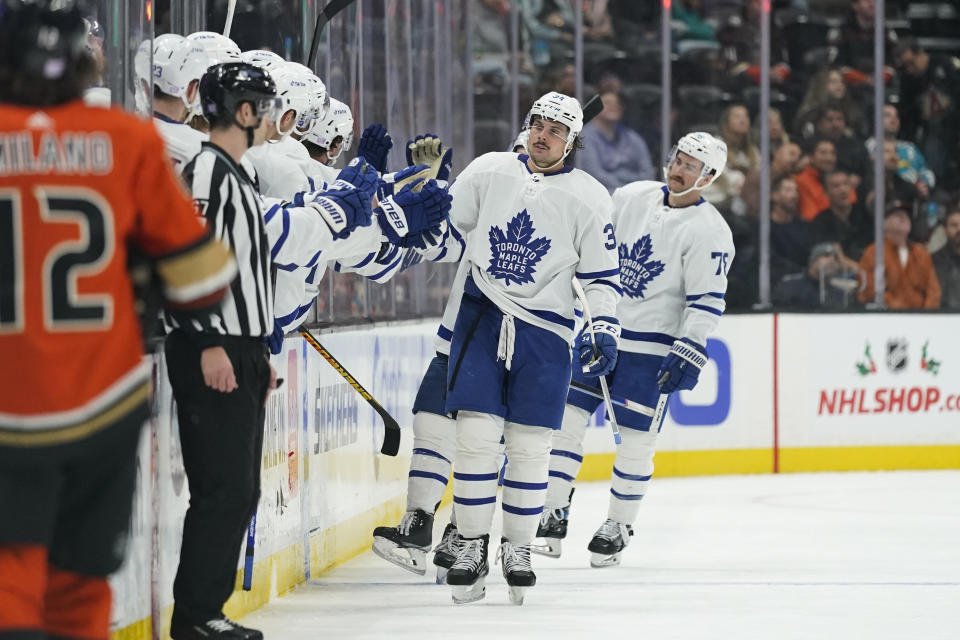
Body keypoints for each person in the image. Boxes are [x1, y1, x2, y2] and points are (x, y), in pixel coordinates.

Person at [0, 3, 236, 640]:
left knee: (8, 577)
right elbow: (204, 280)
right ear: (83, 68)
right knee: (80, 585)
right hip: (100, 404)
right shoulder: (126, 140)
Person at [163, 61, 383, 640]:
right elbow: (191, 260)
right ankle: (195, 618)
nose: (272, 115)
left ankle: (204, 612)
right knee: (224, 490)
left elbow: (247, 266)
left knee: (237, 489)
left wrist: (254, 351)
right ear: (242, 111)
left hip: (238, 347)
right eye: (263, 103)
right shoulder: (210, 171)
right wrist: (213, 342)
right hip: (213, 346)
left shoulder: (232, 171)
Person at [427, 92, 622, 604]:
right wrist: (423, 202)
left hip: (547, 332)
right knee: (474, 436)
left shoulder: (590, 197)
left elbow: (602, 277)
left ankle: (518, 547)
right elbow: (449, 235)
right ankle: (470, 543)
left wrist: (604, 328)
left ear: (572, 142)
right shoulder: (489, 170)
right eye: (537, 123)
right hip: (481, 316)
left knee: (532, 447)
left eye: (556, 129)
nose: (542, 134)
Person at [534, 132, 733, 567]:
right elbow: (593, 239)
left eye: (691, 166)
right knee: (564, 423)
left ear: (709, 176)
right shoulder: (631, 196)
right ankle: (552, 510)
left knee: (636, 443)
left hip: (652, 350)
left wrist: (691, 346)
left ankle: (619, 524)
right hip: (603, 331)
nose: (679, 169)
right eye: (677, 159)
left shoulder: (711, 231)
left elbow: (706, 300)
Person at [858, 202, 940, 309]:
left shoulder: (922, 254)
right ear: (884, 223)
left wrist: (925, 315)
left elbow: (934, 291)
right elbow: (868, 290)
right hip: (885, 318)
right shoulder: (873, 253)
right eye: (897, 215)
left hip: (921, 319)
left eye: (906, 216)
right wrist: (897, 311)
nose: (903, 218)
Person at [577, 91, 655, 193]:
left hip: (634, 194)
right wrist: (625, 189)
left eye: (617, 103)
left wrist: (636, 189)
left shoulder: (632, 136)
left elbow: (647, 172)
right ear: (594, 108)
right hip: (601, 194)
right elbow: (594, 173)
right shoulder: (584, 137)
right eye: (608, 103)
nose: (614, 106)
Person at [773, 242, 863, 309]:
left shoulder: (839, 294)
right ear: (813, 261)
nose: (832, 260)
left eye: (835, 258)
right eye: (826, 256)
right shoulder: (790, 286)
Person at [811, 169, 873, 260]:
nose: (843, 190)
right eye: (836, 186)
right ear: (826, 193)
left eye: (846, 184)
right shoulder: (820, 222)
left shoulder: (865, 213)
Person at [931, 209, 960, 309]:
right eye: (954, 225)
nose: (959, 229)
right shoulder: (934, 260)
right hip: (943, 317)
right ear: (945, 230)